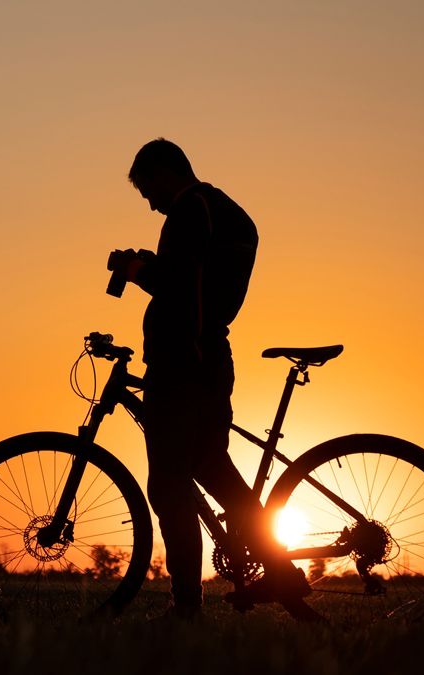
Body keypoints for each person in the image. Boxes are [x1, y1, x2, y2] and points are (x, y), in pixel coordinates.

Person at [120, 138, 317, 620]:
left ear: (167, 172)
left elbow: (184, 286)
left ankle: (186, 603)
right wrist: (155, 265)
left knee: (168, 485)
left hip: (185, 362)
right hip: (206, 360)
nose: (149, 202)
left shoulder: (191, 209)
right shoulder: (217, 208)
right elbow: (197, 275)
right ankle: (280, 571)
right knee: (212, 469)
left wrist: (140, 270)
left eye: (148, 189)